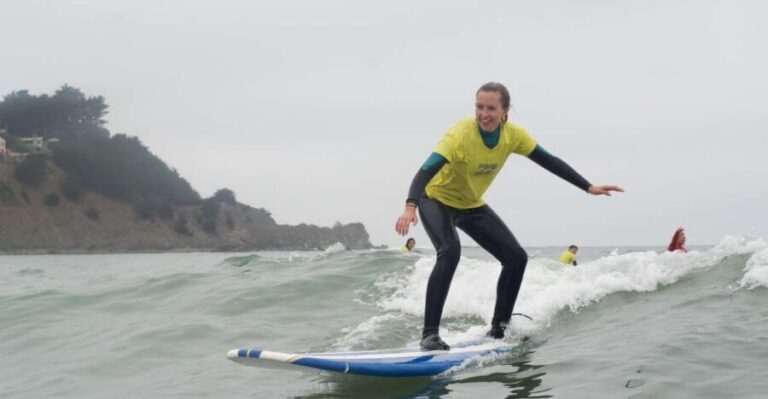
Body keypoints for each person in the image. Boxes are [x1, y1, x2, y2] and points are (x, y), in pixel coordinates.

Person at [395, 82, 623, 351]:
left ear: (505, 111)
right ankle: (430, 335)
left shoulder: (513, 135)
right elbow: (426, 170)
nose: (484, 114)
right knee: (450, 250)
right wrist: (411, 205)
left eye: (491, 108)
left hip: (470, 203)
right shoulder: (460, 133)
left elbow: (548, 160)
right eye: (479, 107)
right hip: (434, 199)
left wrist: (587, 186)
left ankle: (499, 329)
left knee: (516, 257)